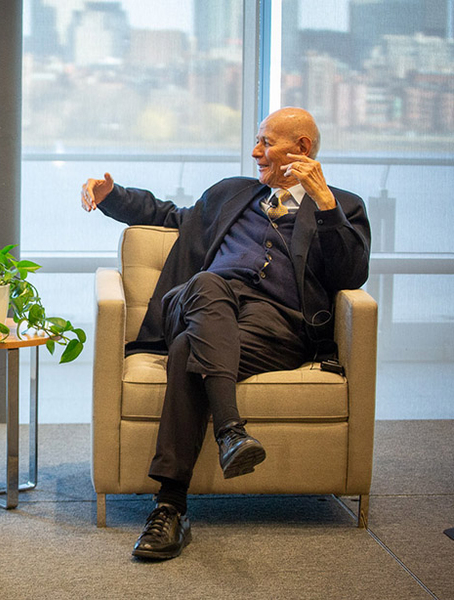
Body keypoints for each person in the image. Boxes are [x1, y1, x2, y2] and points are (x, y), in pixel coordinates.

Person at [80, 107, 370, 561]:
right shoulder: (230, 194)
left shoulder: (344, 207)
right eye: (257, 141)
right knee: (208, 284)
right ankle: (231, 430)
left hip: (276, 330)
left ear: (302, 149)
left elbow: (350, 273)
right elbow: (169, 215)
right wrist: (112, 195)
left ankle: (170, 508)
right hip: (196, 303)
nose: (256, 152)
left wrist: (326, 204)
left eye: (267, 142)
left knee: (186, 351)